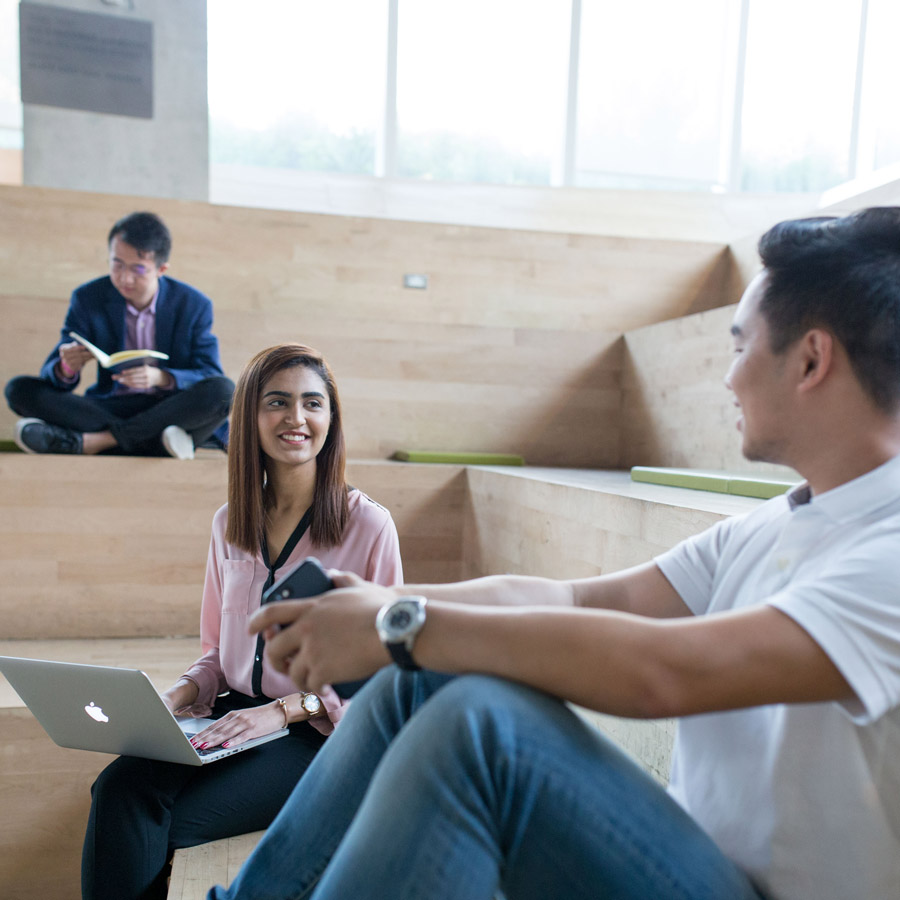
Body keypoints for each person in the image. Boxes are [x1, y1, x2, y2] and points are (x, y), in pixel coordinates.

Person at [209, 208, 900, 900]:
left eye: (740, 346)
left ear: (811, 360)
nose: (729, 378)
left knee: (477, 730)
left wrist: (401, 627)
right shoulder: (772, 524)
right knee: (417, 679)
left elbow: (668, 672)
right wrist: (386, 604)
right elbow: (586, 599)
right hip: (691, 858)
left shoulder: (888, 552)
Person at [82, 343, 403, 900]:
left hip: (314, 735)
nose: (295, 419)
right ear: (250, 416)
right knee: (118, 789)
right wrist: (181, 693)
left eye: (312, 404)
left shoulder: (369, 526)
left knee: (163, 824)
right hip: (226, 716)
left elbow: (387, 674)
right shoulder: (230, 522)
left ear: (331, 418)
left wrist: (281, 711)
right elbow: (219, 651)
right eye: (277, 402)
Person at [5, 211, 233, 459]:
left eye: (138, 269)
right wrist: (66, 368)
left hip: (167, 407)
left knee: (224, 391)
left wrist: (162, 378)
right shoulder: (88, 298)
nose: (125, 278)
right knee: (19, 390)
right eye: (117, 264)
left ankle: (94, 442)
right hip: (110, 407)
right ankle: (163, 444)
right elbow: (52, 376)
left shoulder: (193, 304)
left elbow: (209, 373)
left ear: (161, 269)